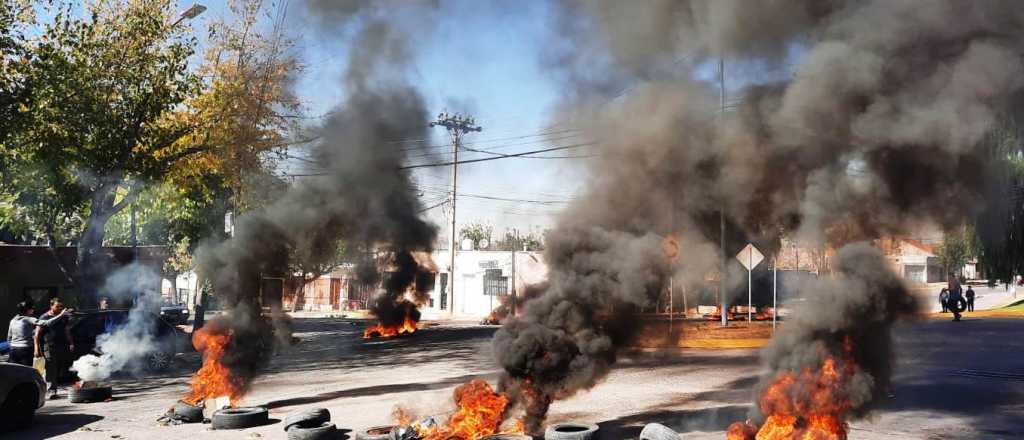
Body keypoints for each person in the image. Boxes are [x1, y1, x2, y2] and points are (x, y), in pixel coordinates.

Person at [6, 302, 70, 366]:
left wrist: (11, 347)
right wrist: (61, 315)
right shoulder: (28, 319)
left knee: (14, 371)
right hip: (25, 350)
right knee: (26, 372)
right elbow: (46, 323)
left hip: (13, 350)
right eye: (32, 308)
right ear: (28, 310)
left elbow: (9, 337)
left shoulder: (13, 320)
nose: (33, 310)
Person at [34, 298, 74, 399]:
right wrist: (36, 348)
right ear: (51, 306)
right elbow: (37, 334)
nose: (60, 308)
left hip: (61, 345)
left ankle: (53, 389)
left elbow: (67, 330)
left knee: (58, 367)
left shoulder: (63, 317)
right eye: (57, 306)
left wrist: (71, 343)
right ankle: (50, 390)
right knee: (50, 368)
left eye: (61, 306)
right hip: (48, 346)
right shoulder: (44, 317)